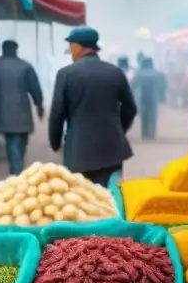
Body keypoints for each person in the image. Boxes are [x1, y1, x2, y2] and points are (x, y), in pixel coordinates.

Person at [49, 27, 137, 186]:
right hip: (112, 150)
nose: (70, 52)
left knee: (82, 200)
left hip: (79, 151)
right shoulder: (115, 72)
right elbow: (131, 109)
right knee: (109, 198)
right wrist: (117, 130)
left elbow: (57, 114)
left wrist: (55, 142)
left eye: (71, 47)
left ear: (78, 47)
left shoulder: (66, 74)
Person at [0, 40, 44, 175]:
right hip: (22, 110)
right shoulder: (25, 66)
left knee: (11, 141)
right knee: (20, 140)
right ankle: (17, 171)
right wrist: (39, 104)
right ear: (16, 49)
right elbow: (34, 88)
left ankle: (16, 169)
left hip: (3, 111)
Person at [131, 57, 166, 141]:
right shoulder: (159, 74)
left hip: (142, 97)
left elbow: (132, 85)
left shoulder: (138, 74)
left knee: (144, 116)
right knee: (153, 115)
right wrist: (162, 97)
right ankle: (152, 133)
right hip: (153, 97)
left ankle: (145, 133)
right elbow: (162, 86)